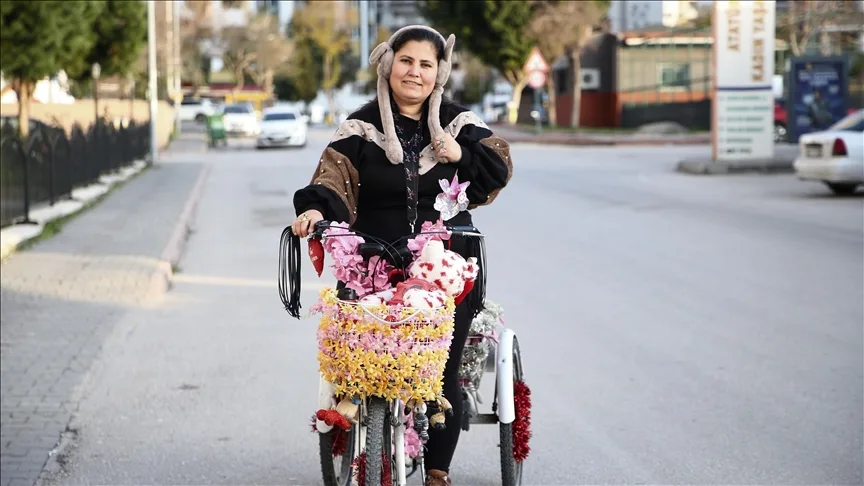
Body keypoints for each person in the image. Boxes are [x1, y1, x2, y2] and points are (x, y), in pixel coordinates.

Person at [291, 25, 513, 486]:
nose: (415, 72)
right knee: (360, 361)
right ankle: (364, 431)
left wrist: (460, 156)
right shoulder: (360, 127)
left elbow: (498, 168)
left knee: (441, 371)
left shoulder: (460, 123)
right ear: (389, 64)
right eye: (406, 61)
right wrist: (313, 209)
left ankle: (437, 472)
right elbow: (332, 178)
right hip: (372, 258)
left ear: (440, 72)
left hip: (446, 265)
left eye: (426, 64)